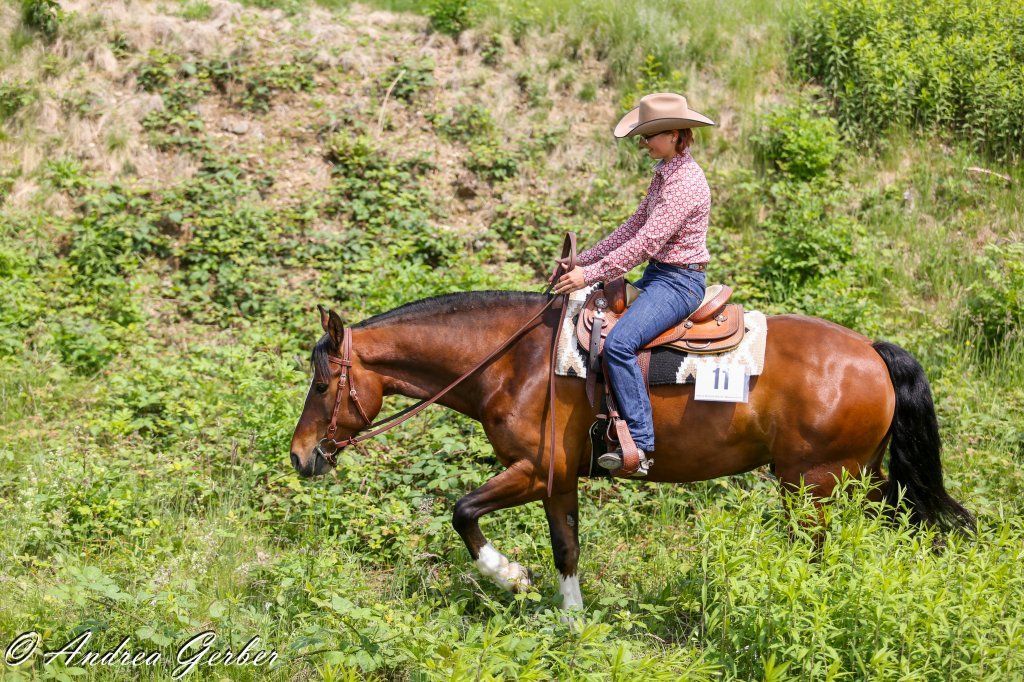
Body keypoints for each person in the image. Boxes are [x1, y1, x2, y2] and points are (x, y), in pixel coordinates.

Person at [551, 92, 715, 477]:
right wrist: (584, 259)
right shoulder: (665, 174)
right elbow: (633, 227)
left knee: (621, 344)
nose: (644, 145)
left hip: (679, 282)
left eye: (650, 137)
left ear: (675, 134)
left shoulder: (685, 183)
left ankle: (640, 444)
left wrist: (589, 275)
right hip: (659, 275)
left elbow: (646, 242)